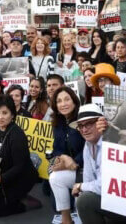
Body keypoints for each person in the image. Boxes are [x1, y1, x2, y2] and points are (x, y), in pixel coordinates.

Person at [0, 94, 40, 217]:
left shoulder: (17, 135)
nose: (0, 117)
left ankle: (24, 204)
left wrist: (1, 178)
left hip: (18, 178)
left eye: (5, 113)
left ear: (12, 115)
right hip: (0, 173)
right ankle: (14, 198)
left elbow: (20, 166)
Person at [71, 104, 126, 224]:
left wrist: (80, 186)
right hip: (109, 199)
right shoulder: (88, 144)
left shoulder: (111, 144)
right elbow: (88, 177)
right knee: (82, 197)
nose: (84, 130)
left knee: (85, 200)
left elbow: (105, 186)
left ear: (100, 123)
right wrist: (82, 188)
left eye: (89, 124)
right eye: (80, 126)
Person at [49, 86, 85, 224]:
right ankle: (66, 219)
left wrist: (73, 162)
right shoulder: (58, 123)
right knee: (54, 177)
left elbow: (89, 148)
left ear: (74, 101)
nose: (63, 104)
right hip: (71, 167)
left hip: (86, 170)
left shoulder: (82, 119)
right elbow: (56, 149)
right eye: (59, 101)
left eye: (66, 99)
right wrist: (64, 159)